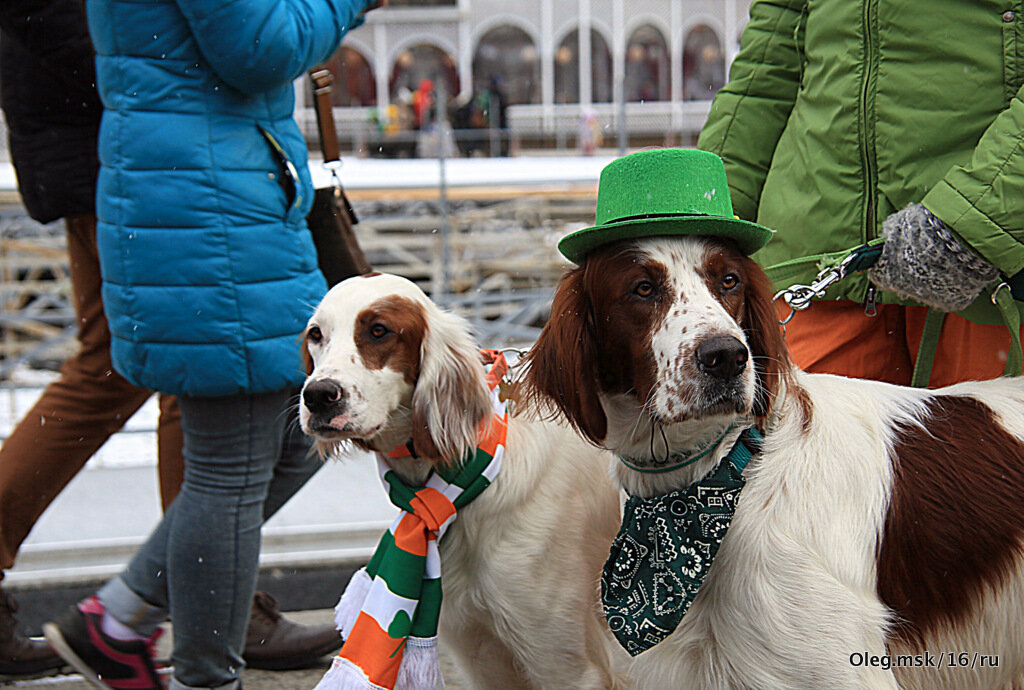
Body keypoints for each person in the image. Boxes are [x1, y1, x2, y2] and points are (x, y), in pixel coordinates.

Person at [0, 0, 345, 678]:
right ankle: (188, 611)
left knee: (266, 427)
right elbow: (254, 46)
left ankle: (159, 603)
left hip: (165, 144)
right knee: (197, 406)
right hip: (168, 156)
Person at [698, 0, 1024, 388]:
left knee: (982, 447)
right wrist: (710, 208)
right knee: (783, 441)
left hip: (989, 273)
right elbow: (769, 63)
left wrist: (976, 217)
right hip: (817, 259)